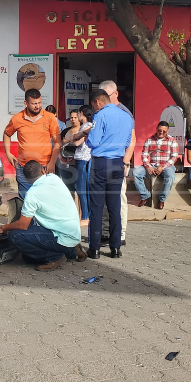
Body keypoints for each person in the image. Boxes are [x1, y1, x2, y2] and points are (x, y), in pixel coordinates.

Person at [0, 160, 86, 271]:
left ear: (25, 179)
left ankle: (56, 257)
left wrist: (4, 228)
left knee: (15, 236)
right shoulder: (55, 179)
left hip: (59, 235)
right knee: (27, 258)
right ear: (43, 171)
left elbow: (22, 225)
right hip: (73, 232)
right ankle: (72, 251)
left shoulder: (32, 193)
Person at [85, 89, 132, 259]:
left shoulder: (100, 115)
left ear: (97, 101)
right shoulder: (127, 116)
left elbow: (93, 141)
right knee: (114, 206)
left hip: (100, 162)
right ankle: (115, 248)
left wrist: (87, 136)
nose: (94, 108)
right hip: (118, 163)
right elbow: (127, 142)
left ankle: (95, 249)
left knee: (97, 207)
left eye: (94, 105)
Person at [3, 90, 62, 199]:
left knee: (44, 201)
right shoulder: (17, 118)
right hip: (23, 168)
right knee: (25, 201)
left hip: (44, 167)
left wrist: (52, 162)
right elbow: (7, 134)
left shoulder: (49, 118)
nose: (37, 106)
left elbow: (58, 142)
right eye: (34, 103)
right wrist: (8, 153)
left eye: (39, 103)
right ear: (26, 103)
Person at [98, 80, 136, 246]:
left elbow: (132, 140)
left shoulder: (124, 113)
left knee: (118, 198)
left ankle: (120, 234)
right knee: (104, 200)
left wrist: (126, 162)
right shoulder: (101, 112)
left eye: (107, 95)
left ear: (116, 94)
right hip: (102, 162)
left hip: (117, 162)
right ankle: (106, 232)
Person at [132, 121, 180, 210]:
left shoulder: (172, 141)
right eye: (159, 130)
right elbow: (144, 154)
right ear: (156, 129)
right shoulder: (149, 140)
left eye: (164, 131)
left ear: (168, 131)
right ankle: (145, 195)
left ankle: (162, 199)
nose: (161, 132)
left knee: (171, 177)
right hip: (152, 165)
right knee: (136, 172)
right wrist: (148, 166)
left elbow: (174, 157)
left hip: (166, 165)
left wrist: (163, 167)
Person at [64, 106, 93, 227]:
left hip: (83, 159)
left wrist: (68, 142)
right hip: (84, 159)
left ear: (82, 114)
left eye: (78, 114)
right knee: (83, 188)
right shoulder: (87, 126)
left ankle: (85, 217)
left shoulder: (86, 127)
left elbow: (78, 142)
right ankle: (86, 215)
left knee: (81, 189)